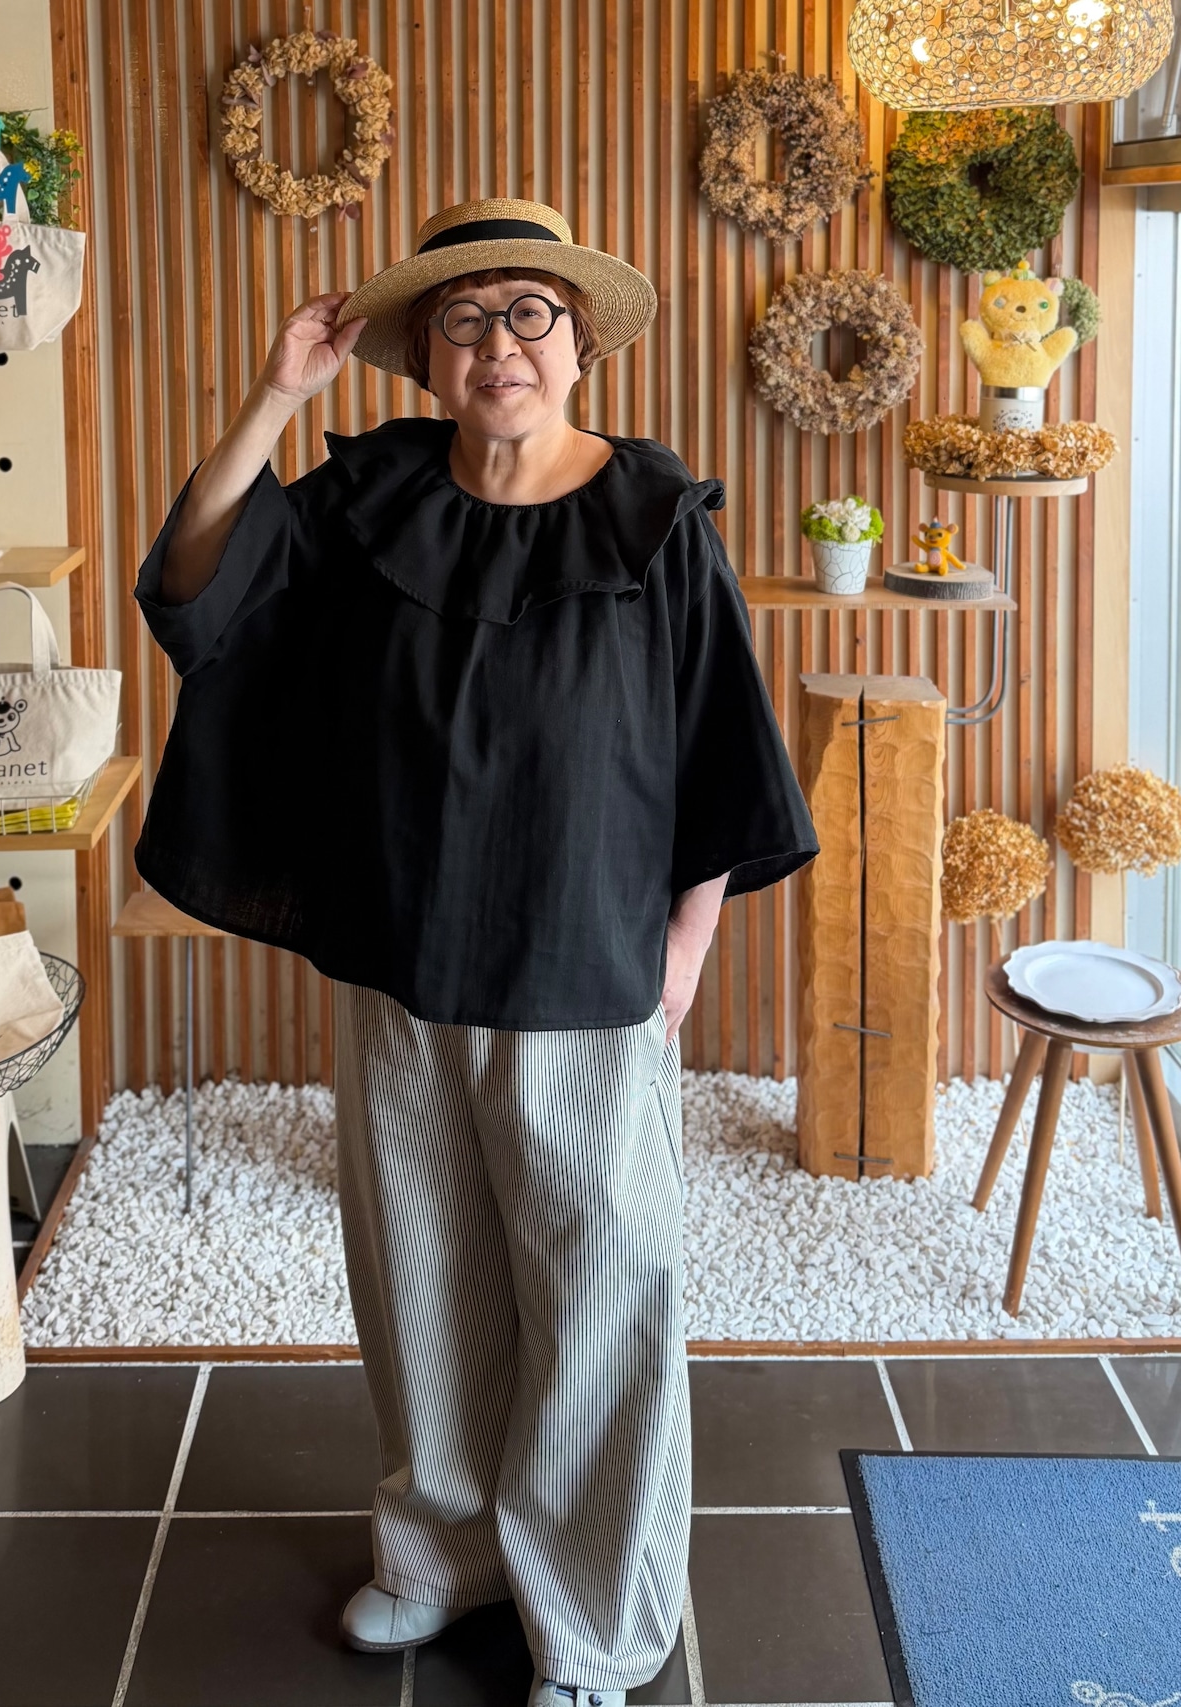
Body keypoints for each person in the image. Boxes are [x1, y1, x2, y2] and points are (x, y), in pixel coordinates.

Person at [134, 197, 817, 1707]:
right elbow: (195, 587)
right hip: (403, 951)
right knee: (424, 1275)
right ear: (427, 357)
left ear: (578, 344)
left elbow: (719, 745)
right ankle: (440, 1552)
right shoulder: (370, 493)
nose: (497, 344)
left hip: (585, 959)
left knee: (600, 1293)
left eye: (527, 313)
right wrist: (277, 396)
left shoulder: (654, 516)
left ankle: (593, 1619)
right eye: (461, 319)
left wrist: (686, 945)